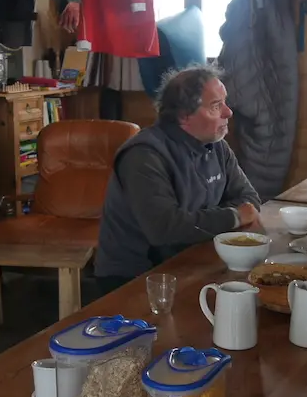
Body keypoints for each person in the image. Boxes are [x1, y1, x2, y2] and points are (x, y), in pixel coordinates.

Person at [94, 63, 262, 294]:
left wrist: (203, 220)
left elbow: (249, 199)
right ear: (184, 115)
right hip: (135, 278)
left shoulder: (217, 147)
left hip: (191, 259)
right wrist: (234, 216)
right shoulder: (143, 155)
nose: (228, 112)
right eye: (216, 106)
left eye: (224, 102)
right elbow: (164, 228)